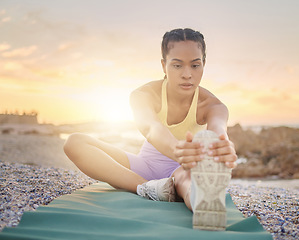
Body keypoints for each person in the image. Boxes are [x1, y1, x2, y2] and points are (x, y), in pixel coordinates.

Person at [63, 28, 237, 218]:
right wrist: (179, 150)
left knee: (188, 180)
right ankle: (146, 188)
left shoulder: (213, 105)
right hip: (144, 166)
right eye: (177, 65)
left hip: (181, 170)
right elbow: (151, 128)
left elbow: (218, 130)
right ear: (164, 65)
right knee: (75, 142)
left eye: (195, 65)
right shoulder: (143, 95)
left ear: (203, 64)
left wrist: (219, 146)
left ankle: (203, 204)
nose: (187, 74)